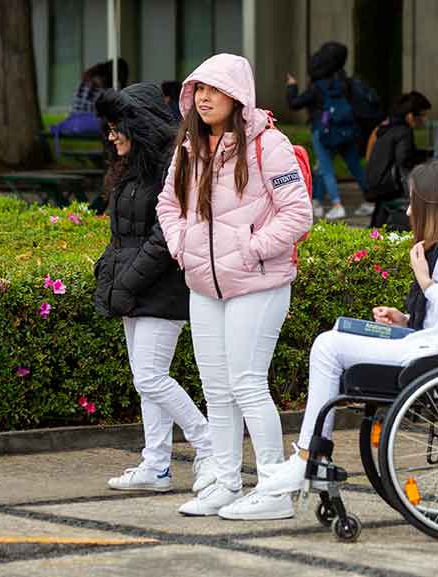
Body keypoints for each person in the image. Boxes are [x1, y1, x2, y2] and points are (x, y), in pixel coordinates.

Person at [227, 160, 438, 519]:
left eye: (416, 202)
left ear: (436, 204)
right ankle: (311, 454)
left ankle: (309, 455)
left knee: (328, 345)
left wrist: (427, 284)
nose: (410, 210)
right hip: (434, 343)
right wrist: (404, 318)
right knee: (339, 334)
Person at [156, 53, 313, 518]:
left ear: (237, 96)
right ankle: (225, 482)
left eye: (215, 89)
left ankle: (272, 489)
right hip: (204, 284)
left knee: (247, 383)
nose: (204, 98)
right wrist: (182, 247)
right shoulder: (189, 146)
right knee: (216, 387)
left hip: (257, 283)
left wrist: (248, 250)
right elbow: (168, 204)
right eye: (198, 89)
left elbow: (298, 213)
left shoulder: (271, 145)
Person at [92, 83, 218, 496]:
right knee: (147, 377)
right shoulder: (131, 167)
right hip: (134, 287)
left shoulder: (173, 166)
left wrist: (127, 279)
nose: (111, 136)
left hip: (161, 290)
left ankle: (208, 444)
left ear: (138, 126)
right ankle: (156, 464)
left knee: (149, 377)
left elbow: (166, 238)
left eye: (117, 128)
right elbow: (123, 235)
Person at [285, 42, 369, 220]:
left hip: (323, 132)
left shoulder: (317, 86)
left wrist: (292, 86)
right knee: (355, 167)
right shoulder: (344, 82)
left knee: (325, 168)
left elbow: (294, 104)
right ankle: (371, 200)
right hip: (346, 131)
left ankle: (336, 204)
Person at [364, 91, 431, 228]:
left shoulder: (386, 127)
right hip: (390, 187)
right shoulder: (404, 132)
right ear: (410, 116)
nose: (424, 120)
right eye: (422, 115)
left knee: (378, 221)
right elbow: (404, 159)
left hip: (376, 183)